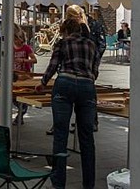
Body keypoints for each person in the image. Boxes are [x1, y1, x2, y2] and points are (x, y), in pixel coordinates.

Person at [35, 18, 101, 189]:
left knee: (60, 134)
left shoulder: (62, 43)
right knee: (86, 137)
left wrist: (43, 83)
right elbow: (95, 71)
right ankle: (89, 184)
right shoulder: (91, 45)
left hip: (65, 83)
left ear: (65, 31)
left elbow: (53, 65)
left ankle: (59, 183)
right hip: (87, 87)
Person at [12, 26, 37, 125]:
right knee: (13, 96)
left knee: (23, 95)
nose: (17, 41)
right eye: (16, 39)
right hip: (14, 74)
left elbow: (34, 60)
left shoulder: (26, 48)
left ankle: (21, 113)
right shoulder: (11, 47)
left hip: (25, 74)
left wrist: (23, 60)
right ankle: (21, 110)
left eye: (19, 39)